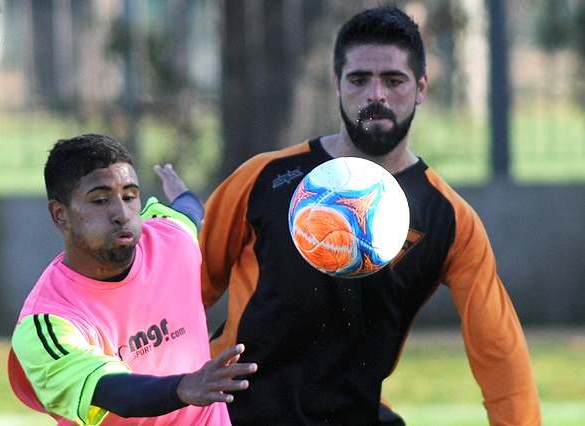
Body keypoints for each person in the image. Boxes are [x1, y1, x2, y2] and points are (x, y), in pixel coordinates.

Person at [199, 6, 542, 426]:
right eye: (359, 79)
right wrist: (160, 387)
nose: (375, 95)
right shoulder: (265, 177)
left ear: (420, 88)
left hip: (354, 414)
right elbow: (186, 285)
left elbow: (499, 351)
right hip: (235, 413)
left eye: (393, 81)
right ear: (337, 84)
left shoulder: (449, 219)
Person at [8, 133, 257, 426]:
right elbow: (113, 391)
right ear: (60, 215)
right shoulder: (48, 323)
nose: (122, 214)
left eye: (129, 196)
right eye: (100, 200)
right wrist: (183, 387)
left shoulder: (173, 241)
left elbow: (189, 215)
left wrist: (186, 197)